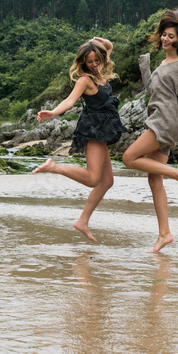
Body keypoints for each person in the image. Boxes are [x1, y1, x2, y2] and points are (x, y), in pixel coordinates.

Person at [122, 9, 178, 253]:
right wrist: (145, 65)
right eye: (164, 35)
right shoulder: (164, 63)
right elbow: (152, 90)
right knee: (153, 177)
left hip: (166, 121)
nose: (165, 39)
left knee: (128, 158)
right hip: (161, 118)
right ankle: (164, 234)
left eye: (170, 36)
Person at [32, 37, 127, 242]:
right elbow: (70, 100)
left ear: (101, 59)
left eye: (96, 60)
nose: (93, 65)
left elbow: (109, 46)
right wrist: (53, 113)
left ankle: (82, 221)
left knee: (107, 181)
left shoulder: (100, 69)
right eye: (89, 62)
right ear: (83, 63)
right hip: (93, 129)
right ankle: (54, 167)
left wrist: (96, 41)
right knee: (94, 179)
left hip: (103, 129)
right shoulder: (86, 79)